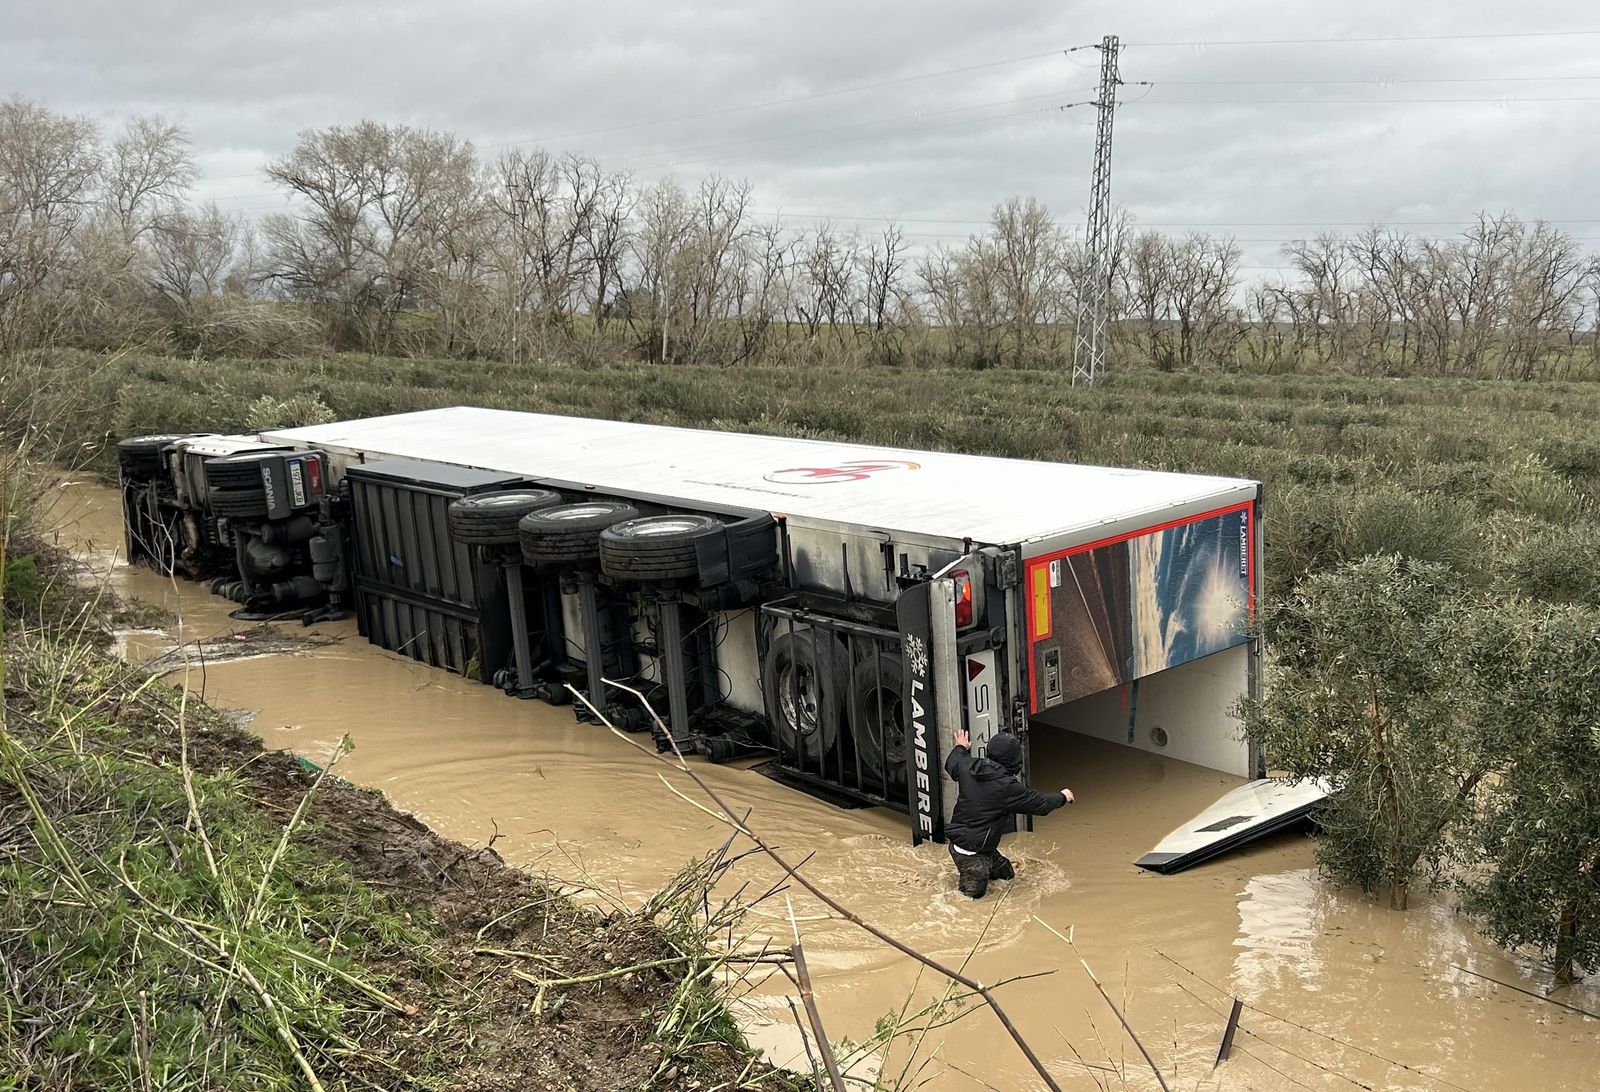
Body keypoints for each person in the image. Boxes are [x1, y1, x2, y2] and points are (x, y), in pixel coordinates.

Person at [944, 728, 1073, 899]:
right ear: (1015, 761)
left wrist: (961, 747)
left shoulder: (969, 766)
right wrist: (1063, 796)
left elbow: (952, 762)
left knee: (1007, 875)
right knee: (971, 900)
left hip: (974, 846)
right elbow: (1041, 804)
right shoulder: (1008, 788)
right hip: (971, 854)